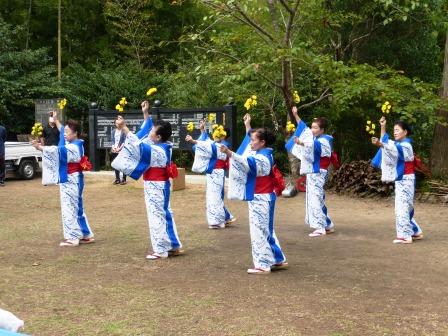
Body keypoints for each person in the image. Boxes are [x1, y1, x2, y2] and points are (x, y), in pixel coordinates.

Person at [111, 101, 183, 260]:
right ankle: (172, 245)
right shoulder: (162, 145)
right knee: (164, 213)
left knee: (156, 214)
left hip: (156, 185)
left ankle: (161, 249)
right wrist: (145, 114)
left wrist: (124, 128)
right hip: (158, 184)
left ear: (158, 137)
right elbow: (144, 135)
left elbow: (138, 146)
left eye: (153, 130)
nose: (149, 131)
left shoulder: (158, 150)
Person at [220, 113, 287, 275]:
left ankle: (263, 264)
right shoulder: (263, 153)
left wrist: (229, 153)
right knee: (265, 229)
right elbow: (247, 154)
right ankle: (277, 258)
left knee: (259, 229)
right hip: (263, 196)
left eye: (254, 140)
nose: (251, 143)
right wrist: (248, 126)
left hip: (261, 197)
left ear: (262, 142)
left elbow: (246, 163)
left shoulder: (263, 158)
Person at [31, 111, 94, 247]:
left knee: (69, 207)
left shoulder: (73, 146)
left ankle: (73, 237)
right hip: (75, 178)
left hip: (71, 179)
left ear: (75, 133)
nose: (64, 133)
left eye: (67, 131)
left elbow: (57, 151)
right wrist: (56, 120)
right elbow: (61, 132)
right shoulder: (76, 143)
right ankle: (85, 234)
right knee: (77, 208)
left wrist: (40, 147)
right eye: (64, 131)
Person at [371, 116, 423, 244]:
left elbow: (390, 147)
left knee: (402, 207)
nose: (394, 132)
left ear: (405, 132)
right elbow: (387, 142)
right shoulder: (399, 144)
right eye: (394, 130)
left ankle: (406, 235)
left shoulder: (406, 145)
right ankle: (415, 231)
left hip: (406, 179)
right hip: (403, 179)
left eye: (397, 130)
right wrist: (383, 126)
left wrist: (381, 144)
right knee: (405, 206)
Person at [285, 106, 335, 237]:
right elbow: (304, 128)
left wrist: (301, 143)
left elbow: (313, 146)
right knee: (317, 198)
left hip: (318, 172)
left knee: (316, 198)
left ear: (322, 129)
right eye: (313, 127)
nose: (312, 130)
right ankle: (327, 224)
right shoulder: (315, 138)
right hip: (314, 172)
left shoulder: (324, 140)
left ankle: (320, 227)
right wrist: (296, 115)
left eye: (316, 128)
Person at [185, 119, 236, 229]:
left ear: (223, 136)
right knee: (215, 196)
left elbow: (207, 145)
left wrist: (193, 141)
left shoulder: (222, 145)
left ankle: (217, 221)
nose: (215, 135)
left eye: (217, 133)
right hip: (214, 172)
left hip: (217, 172)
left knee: (215, 196)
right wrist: (202, 130)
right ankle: (225, 217)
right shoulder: (218, 144)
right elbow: (208, 142)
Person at [110, 116, 127, 185]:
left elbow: (124, 141)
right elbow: (112, 140)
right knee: (116, 164)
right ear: (115, 124)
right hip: (115, 150)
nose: (118, 125)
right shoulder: (113, 131)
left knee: (123, 164)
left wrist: (119, 148)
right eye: (116, 123)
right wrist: (113, 147)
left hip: (122, 150)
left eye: (119, 123)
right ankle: (117, 179)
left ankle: (124, 179)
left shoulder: (124, 131)